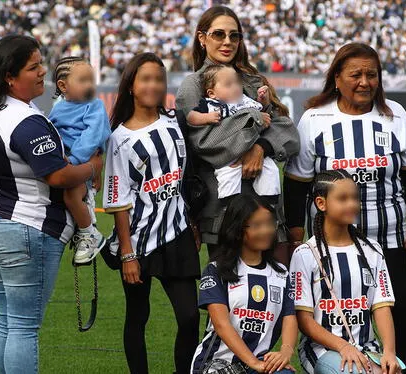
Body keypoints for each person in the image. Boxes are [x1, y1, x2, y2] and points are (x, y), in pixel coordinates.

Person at [283, 43, 406, 373]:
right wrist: (293, 236)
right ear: (337, 79)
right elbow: (295, 183)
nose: (364, 82)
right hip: (330, 243)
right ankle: (327, 362)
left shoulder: (395, 114)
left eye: (371, 74)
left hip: (389, 237)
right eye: (356, 75)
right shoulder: (314, 118)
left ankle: (397, 367)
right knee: (330, 310)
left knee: (397, 308)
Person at [0, 35, 103, 374]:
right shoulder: (25, 119)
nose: (43, 72)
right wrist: (94, 166)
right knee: (23, 327)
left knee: (7, 322)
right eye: (33, 67)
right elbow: (57, 175)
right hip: (24, 227)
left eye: (41, 64)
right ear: (10, 76)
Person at [100, 52, 200, 374]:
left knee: (189, 316)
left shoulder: (175, 121)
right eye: (145, 78)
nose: (153, 85)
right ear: (131, 85)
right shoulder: (120, 139)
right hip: (138, 241)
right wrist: (127, 255)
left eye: (158, 78)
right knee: (137, 315)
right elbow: (118, 201)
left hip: (178, 232)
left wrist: (192, 221)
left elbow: (185, 178)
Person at [175, 5, 299, 263]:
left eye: (235, 36)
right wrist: (254, 119)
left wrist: (261, 147)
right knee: (230, 298)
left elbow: (289, 133)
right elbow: (206, 144)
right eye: (219, 34)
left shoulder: (254, 81)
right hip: (222, 215)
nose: (227, 42)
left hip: (268, 213)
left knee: (276, 296)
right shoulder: (194, 86)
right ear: (202, 38)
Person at [291, 170, 402, 374]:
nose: (352, 204)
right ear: (321, 203)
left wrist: (389, 351)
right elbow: (304, 319)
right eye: (342, 199)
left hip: (367, 349)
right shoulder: (305, 254)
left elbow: (381, 306)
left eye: (354, 198)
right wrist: (343, 346)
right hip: (321, 349)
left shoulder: (372, 250)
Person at [191, 194, 297, 374]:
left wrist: (285, 351)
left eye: (270, 223)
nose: (266, 230)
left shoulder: (281, 273)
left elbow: (289, 317)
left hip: (260, 363)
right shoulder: (216, 270)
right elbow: (221, 324)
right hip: (217, 364)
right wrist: (254, 363)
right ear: (237, 229)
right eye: (257, 225)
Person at [49, 56, 111, 264]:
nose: (89, 85)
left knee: (71, 196)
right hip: (65, 162)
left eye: (91, 80)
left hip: (81, 163)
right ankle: (81, 226)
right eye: (83, 80)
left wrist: (75, 160)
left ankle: (89, 233)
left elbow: (93, 135)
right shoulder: (58, 106)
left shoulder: (94, 106)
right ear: (63, 86)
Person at [186, 64, 278, 200]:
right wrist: (205, 117)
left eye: (237, 83)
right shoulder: (210, 105)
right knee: (228, 174)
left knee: (270, 168)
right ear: (212, 93)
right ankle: (230, 203)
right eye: (228, 84)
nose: (236, 87)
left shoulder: (244, 100)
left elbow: (260, 113)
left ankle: (269, 199)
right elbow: (190, 117)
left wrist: (262, 101)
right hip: (228, 153)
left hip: (252, 147)